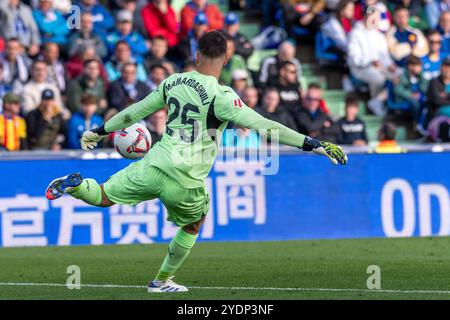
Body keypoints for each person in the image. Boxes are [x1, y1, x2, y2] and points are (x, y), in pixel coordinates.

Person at [45, 31, 347, 293]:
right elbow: (265, 125)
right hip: (187, 178)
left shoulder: (173, 81)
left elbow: (135, 111)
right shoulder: (223, 96)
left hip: (154, 162)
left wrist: (99, 131)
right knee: (193, 224)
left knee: (102, 195)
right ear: (226, 59)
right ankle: (162, 280)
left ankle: (75, 185)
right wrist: (313, 144)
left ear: (196, 53)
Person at [348, 6, 399, 116]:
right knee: (378, 78)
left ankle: (377, 101)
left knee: (399, 75)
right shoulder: (355, 34)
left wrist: (390, 65)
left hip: (380, 67)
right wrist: (371, 61)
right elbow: (354, 58)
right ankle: (376, 102)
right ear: (367, 16)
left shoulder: (379, 35)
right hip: (360, 68)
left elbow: (384, 57)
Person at [392, 55, 429, 120]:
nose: (419, 68)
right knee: (415, 103)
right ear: (410, 66)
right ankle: (415, 122)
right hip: (404, 99)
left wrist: (421, 76)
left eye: (419, 66)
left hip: (418, 97)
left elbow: (424, 89)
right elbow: (397, 90)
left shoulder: (421, 75)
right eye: (417, 65)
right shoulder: (402, 75)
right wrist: (410, 95)